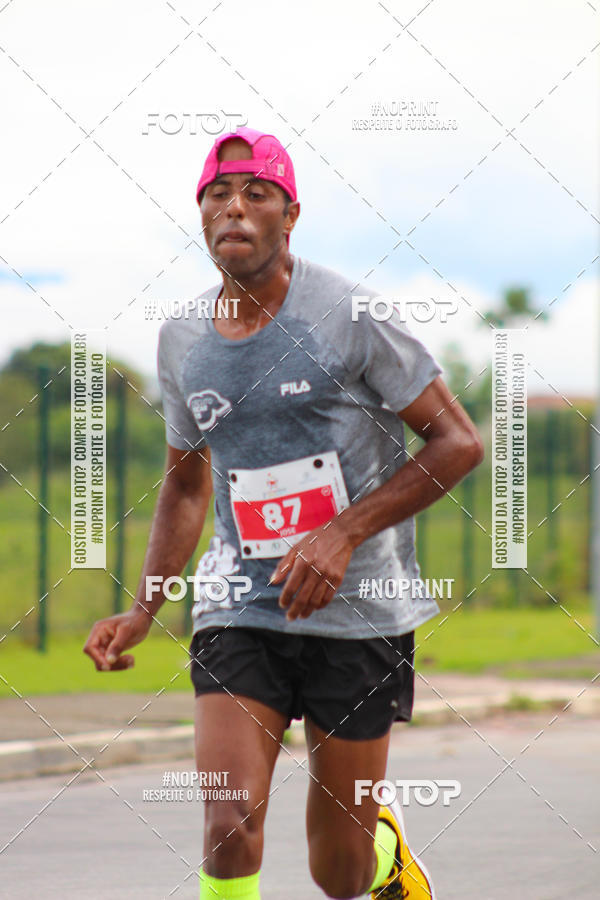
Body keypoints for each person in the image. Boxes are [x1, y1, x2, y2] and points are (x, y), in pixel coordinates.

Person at [84, 126, 484, 899]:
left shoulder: (350, 316)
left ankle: (384, 857)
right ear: (201, 217)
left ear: (289, 216)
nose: (234, 208)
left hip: (358, 610)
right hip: (240, 604)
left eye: (256, 194)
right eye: (217, 195)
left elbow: (457, 443)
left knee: (338, 872)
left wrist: (341, 533)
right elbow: (186, 485)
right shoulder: (183, 339)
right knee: (228, 827)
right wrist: (143, 609)